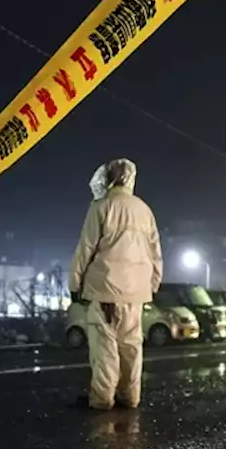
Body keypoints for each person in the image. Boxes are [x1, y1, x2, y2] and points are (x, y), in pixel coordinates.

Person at [69, 159, 162, 410]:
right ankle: (130, 397)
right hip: (136, 293)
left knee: (104, 347)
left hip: (106, 290)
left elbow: (85, 248)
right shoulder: (145, 210)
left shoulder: (101, 207)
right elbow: (155, 253)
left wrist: (74, 283)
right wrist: (152, 285)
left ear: (108, 178)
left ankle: (102, 399)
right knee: (131, 346)